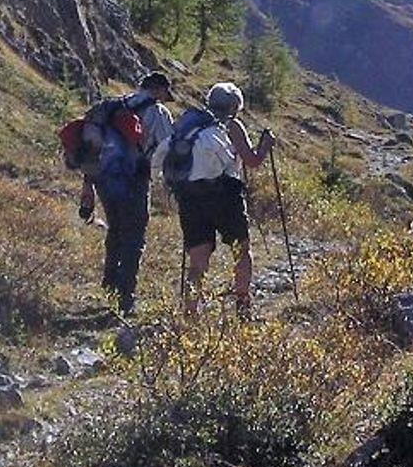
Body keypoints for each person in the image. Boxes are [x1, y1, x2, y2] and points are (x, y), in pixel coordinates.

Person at [78, 71, 175, 316]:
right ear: (159, 90)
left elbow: (92, 146)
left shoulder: (112, 107)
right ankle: (125, 296)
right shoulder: (158, 113)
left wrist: (88, 185)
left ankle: (110, 285)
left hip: (104, 180)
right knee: (134, 236)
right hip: (134, 179)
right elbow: (168, 148)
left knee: (116, 229)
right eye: (165, 92)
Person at [175, 81, 274, 314]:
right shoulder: (232, 126)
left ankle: (190, 314)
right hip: (225, 194)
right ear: (233, 106)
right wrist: (265, 146)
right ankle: (243, 306)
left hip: (190, 195)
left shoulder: (191, 124)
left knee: (197, 261)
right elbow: (252, 161)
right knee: (241, 251)